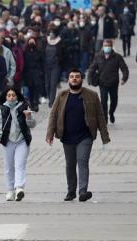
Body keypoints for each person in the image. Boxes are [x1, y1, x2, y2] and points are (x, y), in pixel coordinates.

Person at [45, 69, 110, 202]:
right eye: (71, 77)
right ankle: (71, 192)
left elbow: (100, 115)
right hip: (67, 136)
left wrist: (104, 136)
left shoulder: (92, 95)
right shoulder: (62, 95)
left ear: (82, 79)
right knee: (70, 164)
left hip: (85, 136)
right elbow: (53, 115)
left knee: (82, 161)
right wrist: (50, 133)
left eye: (77, 77)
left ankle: (83, 192)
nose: (74, 79)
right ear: (68, 80)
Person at [0, 87, 35, 202]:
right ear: (6, 97)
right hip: (7, 141)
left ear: (17, 96)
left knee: (20, 165)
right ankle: (10, 190)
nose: (11, 97)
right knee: (9, 167)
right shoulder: (2, 109)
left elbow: (32, 125)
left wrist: (29, 117)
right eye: (9, 95)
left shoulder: (24, 107)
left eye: (13, 95)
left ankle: (19, 188)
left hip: (22, 140)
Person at [87, 39, 129, 123]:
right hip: (102, 83)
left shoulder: (117, 57)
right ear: (103, 46)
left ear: (111, 46)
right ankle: (104, 118)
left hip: (113, 82)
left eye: (108, 46)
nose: (107, 48)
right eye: (105, 46)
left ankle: (111, 112)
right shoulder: (98, 56)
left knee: (114, 100)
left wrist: (124, 78)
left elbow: (124, 68)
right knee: (103, 101)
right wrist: (89, 79)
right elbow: (92, 69)